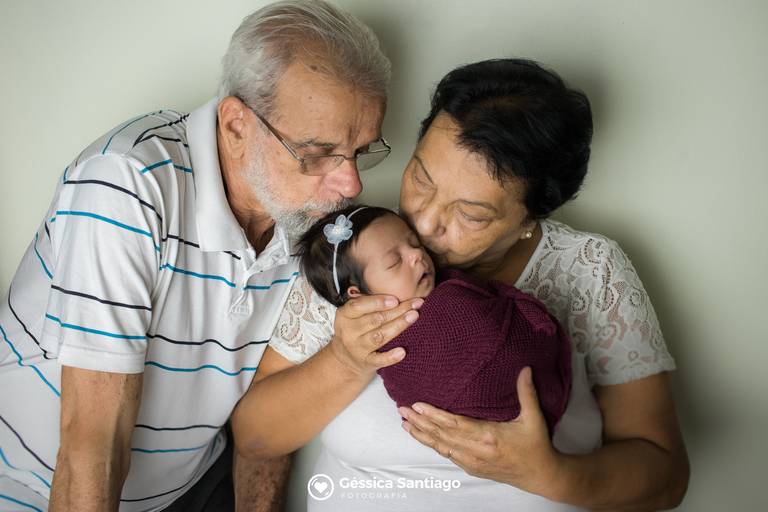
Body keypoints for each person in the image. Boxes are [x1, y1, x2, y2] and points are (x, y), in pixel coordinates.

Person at [0, 1, 417, 510]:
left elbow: (268, 413)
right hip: (30, 488)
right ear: (237, 125)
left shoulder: (312, 214)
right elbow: (94, 443)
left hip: (191, 485)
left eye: (361, 151)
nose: (350, 184)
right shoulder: (126, 183)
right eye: (316, 154)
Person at [239, 58, 690, 511]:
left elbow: (665, 476)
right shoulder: (360, 252)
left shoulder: (588, 270)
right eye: (421, 179)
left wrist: (550, 474)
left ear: (529, 220)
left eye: (471, 215)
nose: (423, 223)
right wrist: (345, 361)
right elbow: (255, 437)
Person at [294, 204, 572, 431]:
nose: (417, 254)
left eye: (413, 242)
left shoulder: (450, 285)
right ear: (358, 295)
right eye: (394, 261)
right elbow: (413, 393)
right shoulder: (378, 343)